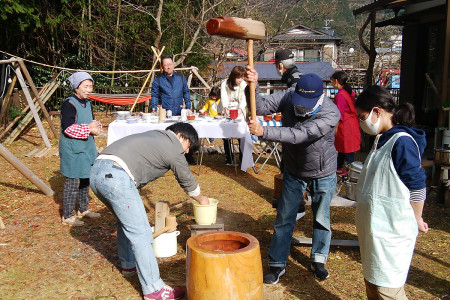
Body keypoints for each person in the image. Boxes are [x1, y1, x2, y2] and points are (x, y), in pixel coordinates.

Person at [89, 122, 209, 300]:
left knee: (126, 223)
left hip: (97, 173)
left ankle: (129, 264)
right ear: (180, 136)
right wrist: (201, 198)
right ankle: (154, 290)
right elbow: (186, 179)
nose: (185, 152)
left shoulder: (155, 136)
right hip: (115, 176)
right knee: (142, 233)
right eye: (188, 147)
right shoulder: (172, 144)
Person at [245, 68, 340, 283]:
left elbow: (302, 134)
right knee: (284, 217)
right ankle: (277, 263)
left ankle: (318, 259)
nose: (300, 105)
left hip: (323, 171)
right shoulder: (289, 94)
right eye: (299, 98)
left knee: (321, 218)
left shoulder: (330, 112)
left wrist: (265, 132)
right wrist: (253, 84)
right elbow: (260, 106)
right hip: (294, 169)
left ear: (320, 97)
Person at [354, 85, 428, 300]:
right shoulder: (382, 138)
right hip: (376, 229)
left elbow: (417, 184)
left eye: (363, 116)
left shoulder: (402, 142)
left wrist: (417, 217)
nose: (361, 122)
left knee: (388, 290)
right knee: (374, 284)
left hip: (391, 229)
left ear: (377, 111)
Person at [59, 71, 102, 227]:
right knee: (73, 181)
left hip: (86, 147)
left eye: (90, 86)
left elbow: (90, 121)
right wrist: (89, 129)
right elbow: (68, 128)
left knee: (85, 178)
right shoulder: (69, 104)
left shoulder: (88, 103)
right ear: (76, 87)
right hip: (73, 149)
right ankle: (68, 215)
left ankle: (83, 209)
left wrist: (96, 126)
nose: (89, 90)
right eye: (85, 86)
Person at [274, 49, 306, 221]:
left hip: (295, 132)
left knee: (291, 168)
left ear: (280, 65)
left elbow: (298, 109)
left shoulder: (294, 81)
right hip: (294, 131)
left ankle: (297, 206)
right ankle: (293, 203)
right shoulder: (294, 76)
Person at [151, 54, 196, 165]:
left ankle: (188, 156)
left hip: (180, 111)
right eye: (166, 65)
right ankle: (166, 158)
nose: (169, 67)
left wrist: (188, 107)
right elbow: (155, 95)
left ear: (173, 65)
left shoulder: (181, 77)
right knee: (167, 135)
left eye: (170, 64)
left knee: (185, 134)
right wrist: (153, 108)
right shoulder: (158, 79)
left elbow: (186, 92)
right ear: (162, 66)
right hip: (166, 111)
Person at [330, 71, 360, 171]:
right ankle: (339, 169)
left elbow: (339, 115)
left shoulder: (340, 95)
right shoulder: (349, 92)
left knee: (347, 152)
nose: (332, 84)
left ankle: (348, 172)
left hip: (345, 127)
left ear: (336, 81)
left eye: (332, 81)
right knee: (344, 151)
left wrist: (335, 129)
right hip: (351, 125)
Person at [221, 66, 247, 165]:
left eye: (242, 77)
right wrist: (225, 108)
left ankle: (242, 158)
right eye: (239, 77)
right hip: (228, 109)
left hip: (239, 110)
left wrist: (240, 108)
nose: (241, 79)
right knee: (226, 134)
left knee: (240, 133)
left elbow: (244, 98)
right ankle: (229, 158)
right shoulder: (225, 83)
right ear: (233, 76)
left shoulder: (243, 84)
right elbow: (224, 97)